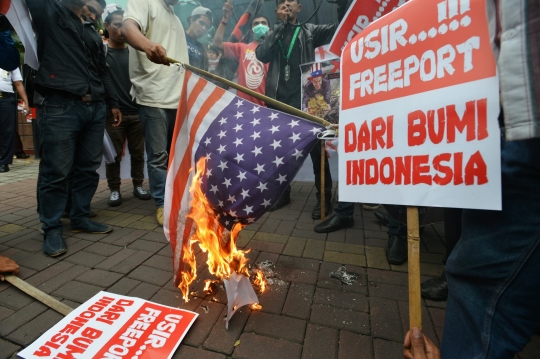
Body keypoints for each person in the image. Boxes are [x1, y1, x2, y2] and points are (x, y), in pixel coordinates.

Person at [26, 0, 122, 257]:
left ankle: (80, 217)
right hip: (59, 105)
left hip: (94, 107)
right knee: (56, 171)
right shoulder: (47, 10)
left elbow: (102, 70)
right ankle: (52, 227)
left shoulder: (90, 27)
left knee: (88, 168)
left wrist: (111, 102)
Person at [255, 0, 349, 215]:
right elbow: (262, 54)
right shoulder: (273, 31)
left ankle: (323, 199)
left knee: (317, 153)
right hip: (278, 102)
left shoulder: (309, 31)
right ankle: (282, 194)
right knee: (280, 152)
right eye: (282, 2)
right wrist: (279, 25)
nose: (287, 4)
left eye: (292, 2)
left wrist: (341, 4)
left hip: (308, 102)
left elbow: (340, 28)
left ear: (299, 8)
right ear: (277, 9)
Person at [122, 0, 189, 225]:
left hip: (178, 97)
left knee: (175, 156)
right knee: (158, 156)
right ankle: (162, 204)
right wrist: (148, 45)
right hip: (153, 96)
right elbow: (128, 27)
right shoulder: (144, 2)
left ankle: (177, 200)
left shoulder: (176, 17)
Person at [103, 9, 150, 206]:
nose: (121, 30)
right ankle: (114, 189)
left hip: (137, 111)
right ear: (106, 26)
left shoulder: (136, 52)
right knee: (113, 156)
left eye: (124, 25)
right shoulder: (103, 53)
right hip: (114, 115)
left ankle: (138, 185)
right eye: (116, 24)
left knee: (138, 154)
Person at [213, 2, 270, 106]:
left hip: (265, 108)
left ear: (269, 30)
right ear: (252, 31)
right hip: (243, 106)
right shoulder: (241, 48)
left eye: (263, 23)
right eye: (256, 24)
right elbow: (217, 43)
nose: (260, 25)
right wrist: (225, 18)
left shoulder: (274, 51)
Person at [0, 66, 30, 173]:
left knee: (7, 131)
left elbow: (18, 83)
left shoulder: (10, 60)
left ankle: (4, 162)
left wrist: (25, 102)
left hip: (5, 98)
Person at [185, 6, 213, 71]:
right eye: (202, 23)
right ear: (192, 20)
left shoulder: (202, 49)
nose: (204, 28)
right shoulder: (178, 36)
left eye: (207, 27)